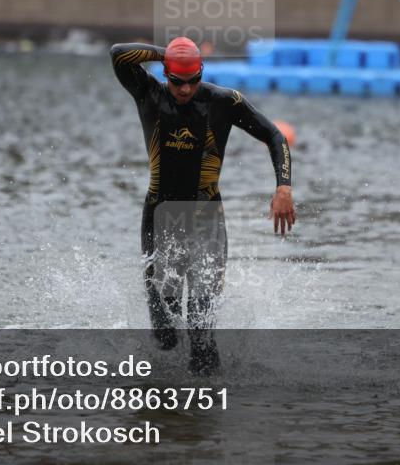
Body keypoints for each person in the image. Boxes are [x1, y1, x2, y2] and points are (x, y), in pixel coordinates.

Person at [110, 37, 295, 374]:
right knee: (165, 333)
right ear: (166, 73)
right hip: (160, 215)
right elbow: (118, 55)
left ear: (201, 73)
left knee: (201, 325)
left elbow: (275, 136)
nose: (185, 89)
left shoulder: (222, 102)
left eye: (192, 80)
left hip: (206, 217)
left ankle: (208, 411)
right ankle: (170, 417)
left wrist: (283, 186)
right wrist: (168, 52)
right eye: (177, 81)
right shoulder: (148, 92)